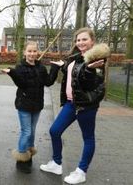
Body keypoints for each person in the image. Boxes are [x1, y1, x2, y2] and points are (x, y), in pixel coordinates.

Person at [40, 27, 110, 184]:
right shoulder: (77, 57)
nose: (80, 42)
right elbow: (74, 73)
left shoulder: (97, 59)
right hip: (71, 104)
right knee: (55, 131)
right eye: (78, 40)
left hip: (86, 106)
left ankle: (81, 171)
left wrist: (90, 70)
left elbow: (89, 81)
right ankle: (56, 163)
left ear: (92, 41)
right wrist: (63, 65)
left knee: (88, 137)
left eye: (84, 39)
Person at [1, 41, 61, 173]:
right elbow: (21, 84)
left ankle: (28, 154)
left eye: (34, 51)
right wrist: (12, 72)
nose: (32, 54)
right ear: (24, 53)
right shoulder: (20, 67)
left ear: (37, 52)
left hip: (37, 105)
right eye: (29, 51)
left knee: (32, 132)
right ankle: (21, 158)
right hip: (24, 105)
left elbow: (48, 82)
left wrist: (55, 68)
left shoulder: (41, 68)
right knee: (26, 131)